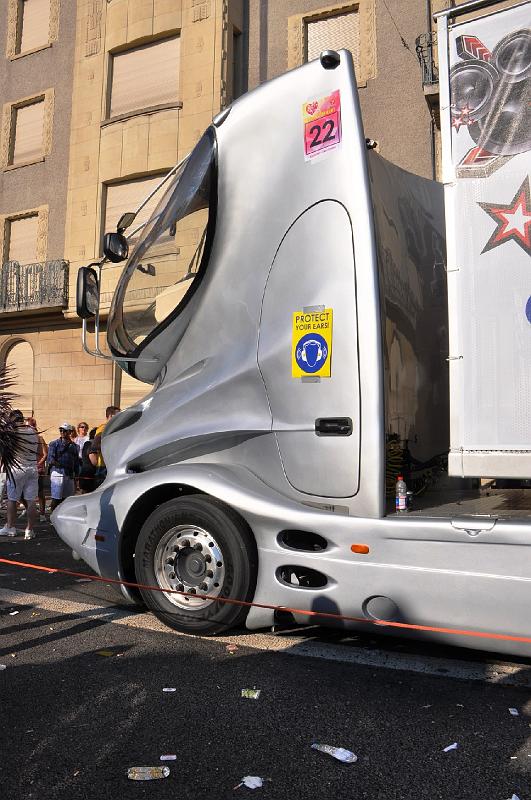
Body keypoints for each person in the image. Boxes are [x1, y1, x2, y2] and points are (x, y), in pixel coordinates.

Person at [0, 410, 39, 539]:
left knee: (12, 499)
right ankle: (29, 529)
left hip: (17, 469)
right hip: (32, 468)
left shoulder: (12, 433)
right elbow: (37, 450)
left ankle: (10, 527)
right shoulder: (33, 431)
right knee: (31, 500)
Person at [47, 423, 80, 511]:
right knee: (56, 498)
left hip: (69, 474)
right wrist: (61, 464)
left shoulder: (75, 446)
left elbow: (76, 462)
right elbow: (50, 459)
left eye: (64, 430)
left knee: (67, 498)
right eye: (61, 430)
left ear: (70, 432)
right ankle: (52, 517)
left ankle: (62, 516)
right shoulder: (54, 444)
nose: (62, 432)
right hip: (57, 473)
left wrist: (76, 475)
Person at [89, 406, 120, 488]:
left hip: (111, 465)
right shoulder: (104, 428)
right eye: (118, 415)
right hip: (103, 467)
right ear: (110, 416)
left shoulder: (114, 428)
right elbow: (94, 446)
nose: (120, 417)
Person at [26, 417, 48, 522]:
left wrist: (38, 464)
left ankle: (42, 513)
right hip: (27, 467)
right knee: (24, 492)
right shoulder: (24, 439)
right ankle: (29, 510)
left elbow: (45, 454)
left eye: (30, 426)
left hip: (37, 469)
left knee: (40, 492)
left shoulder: (40, 438)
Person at [79, 426, 97, 494]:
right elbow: (94, 461)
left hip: (87, 473)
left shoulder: (88, 444)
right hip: (89, 474)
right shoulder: (90, 444)